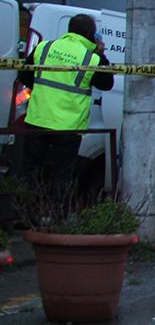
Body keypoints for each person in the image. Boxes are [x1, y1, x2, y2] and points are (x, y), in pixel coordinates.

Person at [17, 13, 114, 197]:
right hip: (68, 127)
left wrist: (44, 93)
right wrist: (101, 55)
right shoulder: (92, 59)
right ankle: (55, 220)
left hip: (37, 120)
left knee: (29, 172)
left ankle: (23, 217)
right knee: (61, 175)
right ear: (89, 34)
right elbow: (106, 84)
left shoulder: (44, 47)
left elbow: (24, 76)